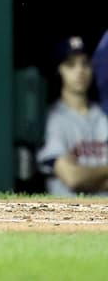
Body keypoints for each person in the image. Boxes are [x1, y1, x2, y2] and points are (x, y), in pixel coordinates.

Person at [38, 36, 108, 196]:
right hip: (69, 210)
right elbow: (72, 178)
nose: (80, 71)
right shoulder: (51, 119)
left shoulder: (104, 116)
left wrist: (84, 177)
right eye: (71, 65)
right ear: (59, 70)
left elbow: (77, 178)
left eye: (85, 63)